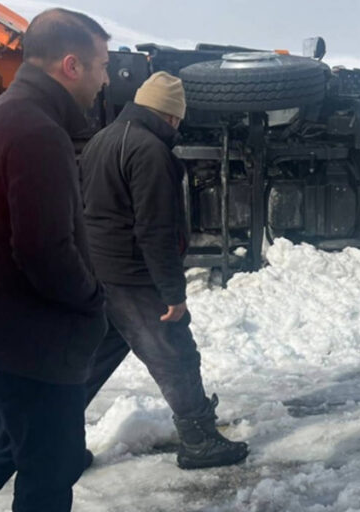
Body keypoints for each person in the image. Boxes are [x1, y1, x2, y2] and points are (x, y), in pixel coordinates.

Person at [0, 9, 109, 511]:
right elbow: (45, 252)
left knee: (3, 445)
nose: (105, 79)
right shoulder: (37, 131)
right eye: (101, 65)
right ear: (71, 65)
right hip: (26, 347)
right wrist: (93, 301)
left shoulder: (0, 116)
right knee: (51, 475)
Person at [80, 72, 249, 469]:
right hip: (134, 275)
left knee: (94, 360)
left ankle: (55, 443)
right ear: (171, 115)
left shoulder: (102, 140)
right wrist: (173, 294)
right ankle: (199, 441)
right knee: (176, 354)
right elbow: (155, 229)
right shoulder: (149, 150)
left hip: (100, 269)